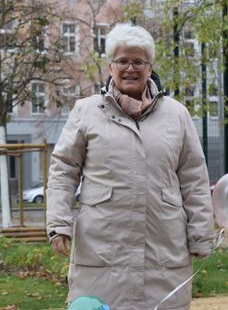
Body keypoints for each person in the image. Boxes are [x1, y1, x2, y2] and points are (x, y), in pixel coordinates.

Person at [46, 23, 215, 310]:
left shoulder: (176, 115)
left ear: (150, 68)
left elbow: (194, 179)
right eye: (122, 61)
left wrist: (200, 234)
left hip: (163, 253)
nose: (130, 68)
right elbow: (64, 170)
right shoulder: (86, 112)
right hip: (101, 254)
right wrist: (59, 223)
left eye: (138, 61)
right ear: (110, 66)